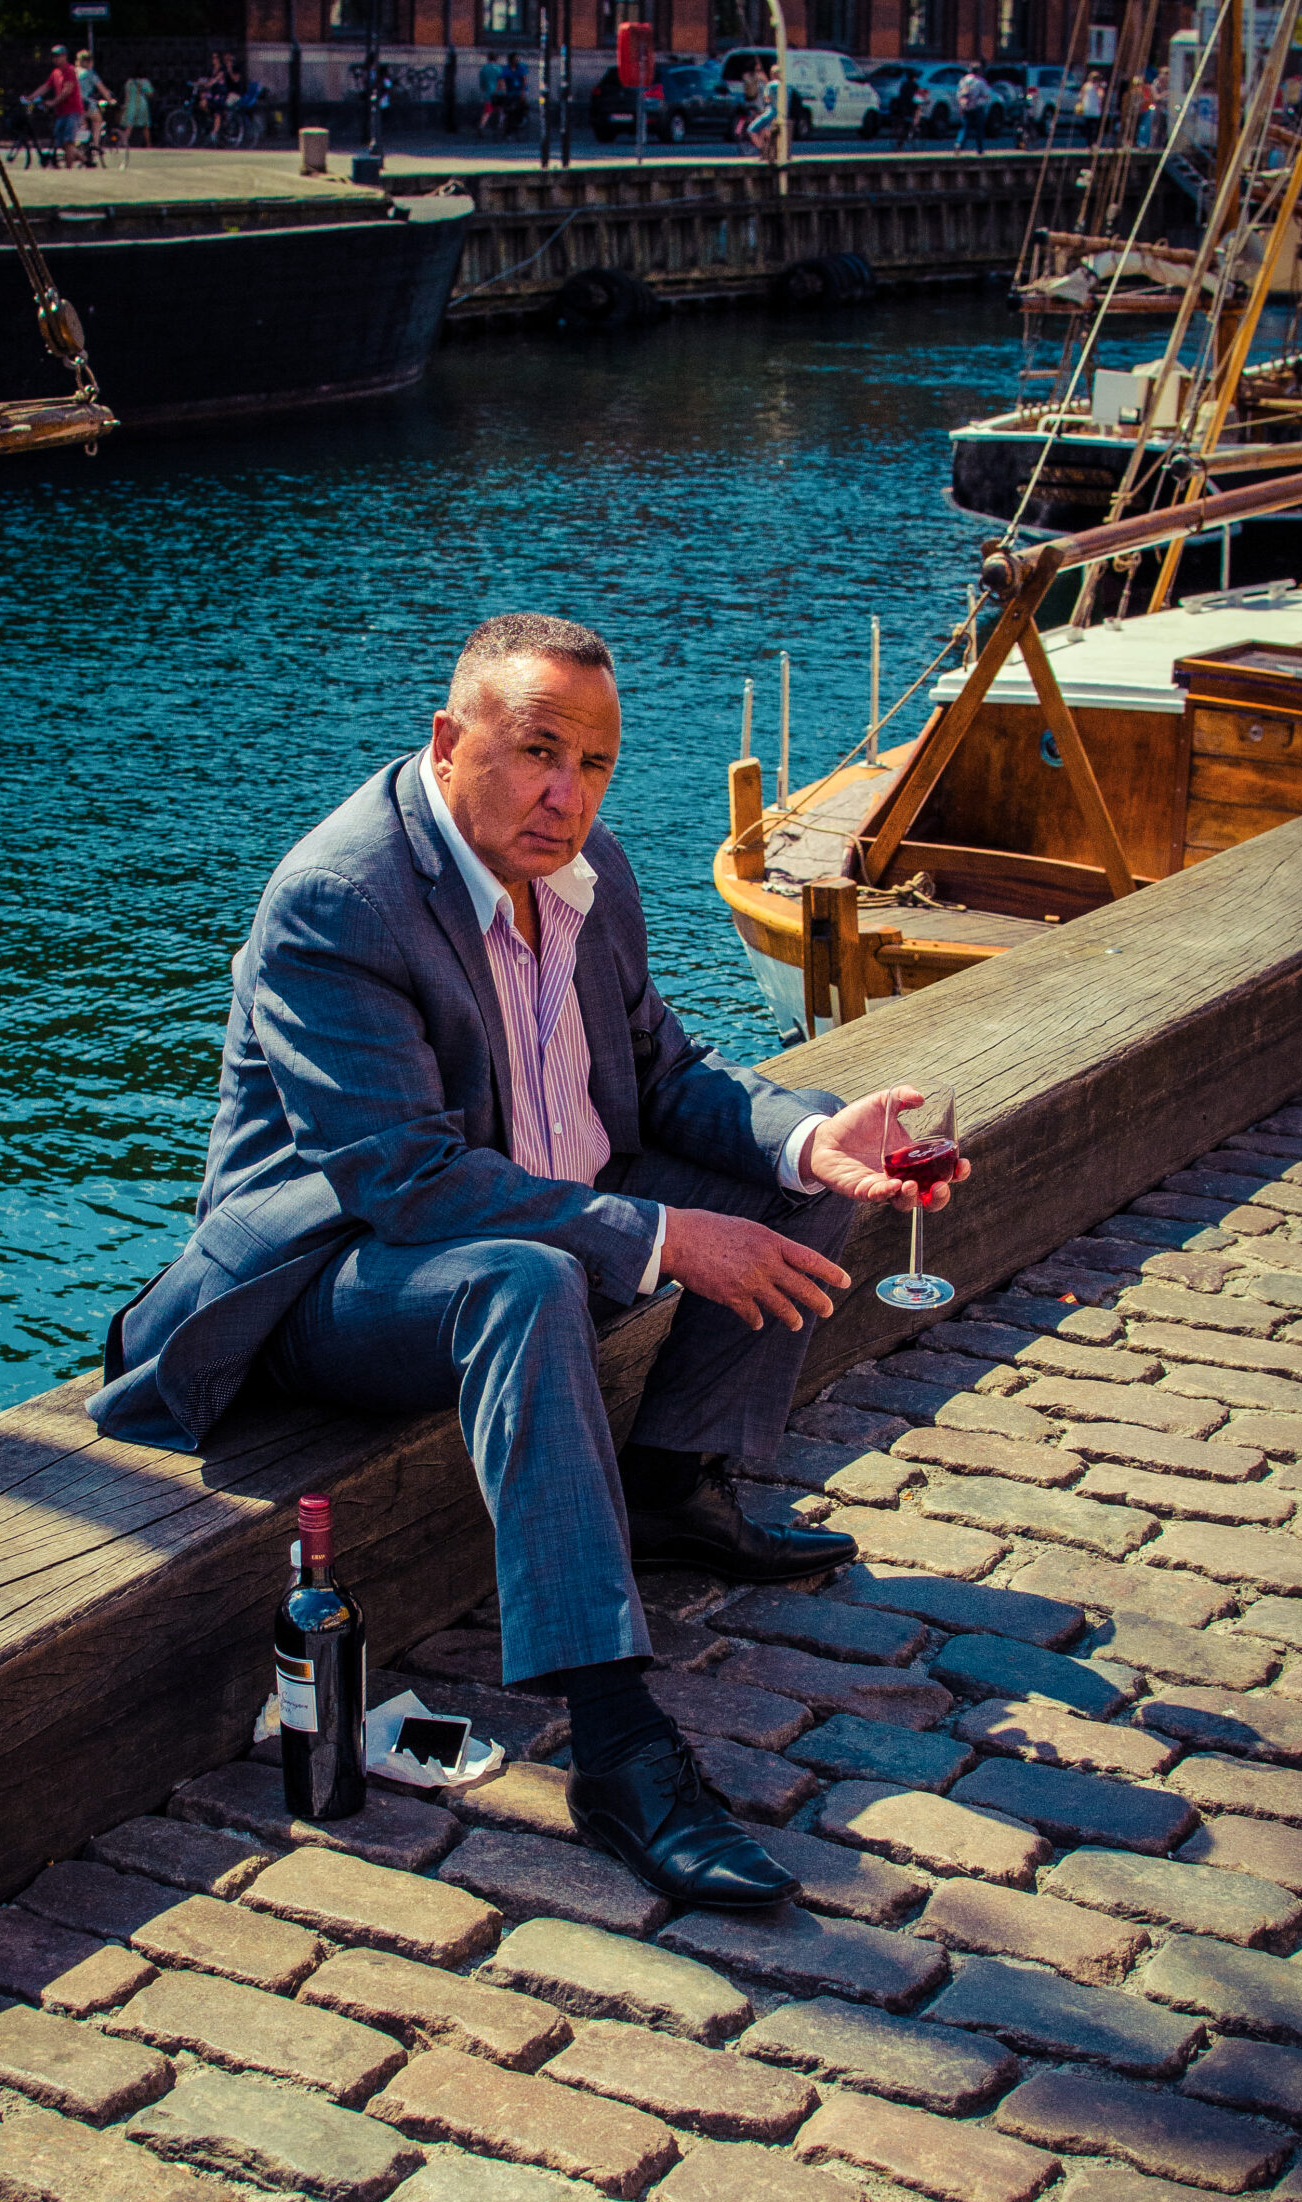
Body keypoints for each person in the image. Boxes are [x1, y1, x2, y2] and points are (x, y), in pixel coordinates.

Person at [88, 615, 969, 1909]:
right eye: (538, 753)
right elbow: (404, 1182)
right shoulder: (342, 900)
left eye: (596, 763)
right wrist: (662, 1237)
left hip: (520, 1212)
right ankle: (616, 1744)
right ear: (450, 743)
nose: (570, 794)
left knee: (799, 1166)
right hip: (335, 1278)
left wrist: (808, 1138)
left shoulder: (586, 867)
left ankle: (667, 1489)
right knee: (528, 1277)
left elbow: (664, 1076)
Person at [26, 46, 83, 167]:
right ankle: (84, 158)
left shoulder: (70, 70)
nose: (56, 59)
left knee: (68, 141)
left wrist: (53, 102)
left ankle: (69, 170)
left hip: (73, 111)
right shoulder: (55, 72)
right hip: (61, 112)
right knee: (60, 142)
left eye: (58, 56)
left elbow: (67, 90)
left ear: (65, 56)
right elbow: (46, 86)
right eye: (54, 57)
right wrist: (31, 97)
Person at [76, 52, 114, 154]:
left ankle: (80, 144)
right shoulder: (90, 73)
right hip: (86, 103)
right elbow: (102, 89)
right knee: (97, 120)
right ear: (89, 62)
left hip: (74, 103)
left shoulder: (75, 71)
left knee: (81, 124)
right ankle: (96, 145)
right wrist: (110, 100)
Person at [956, 61, 992, 152]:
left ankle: (959, 143)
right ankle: (980, 148)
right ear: (979, 71)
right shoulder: (980, 81)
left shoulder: (963, 80)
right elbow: (986, 95)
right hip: (977, 107)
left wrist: (961, 105)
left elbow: (959, 93)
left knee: (964, 127)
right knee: (979, 129)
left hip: (965, 106)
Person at [119, 70, 154, 148]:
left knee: (129, 126)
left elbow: (127, 96)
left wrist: (125, 106)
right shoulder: (145, 82)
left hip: (131, 106)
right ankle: (148, 144)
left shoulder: (129, 82)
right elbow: (150, 94)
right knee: (145, 126)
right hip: (142, 106)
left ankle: (123, 143)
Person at [889, 67, 918, 148]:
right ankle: (908, 134)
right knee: (912, 119)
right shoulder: (915, 86)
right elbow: (917, 97)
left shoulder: (904, 85)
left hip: (901, 106)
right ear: (914, 78)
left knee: (903, 121)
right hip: (910, 106)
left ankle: (900, 139)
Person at [1077, 69, 1104, 149]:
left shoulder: (1086, 86)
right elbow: (1101, 97)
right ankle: (1093, 143)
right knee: (1094, 128)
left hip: (1088, 109)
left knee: (1089, 127)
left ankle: (1089, 144)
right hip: (1095, 110)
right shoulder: (1098, 87)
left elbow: (1080, 96)